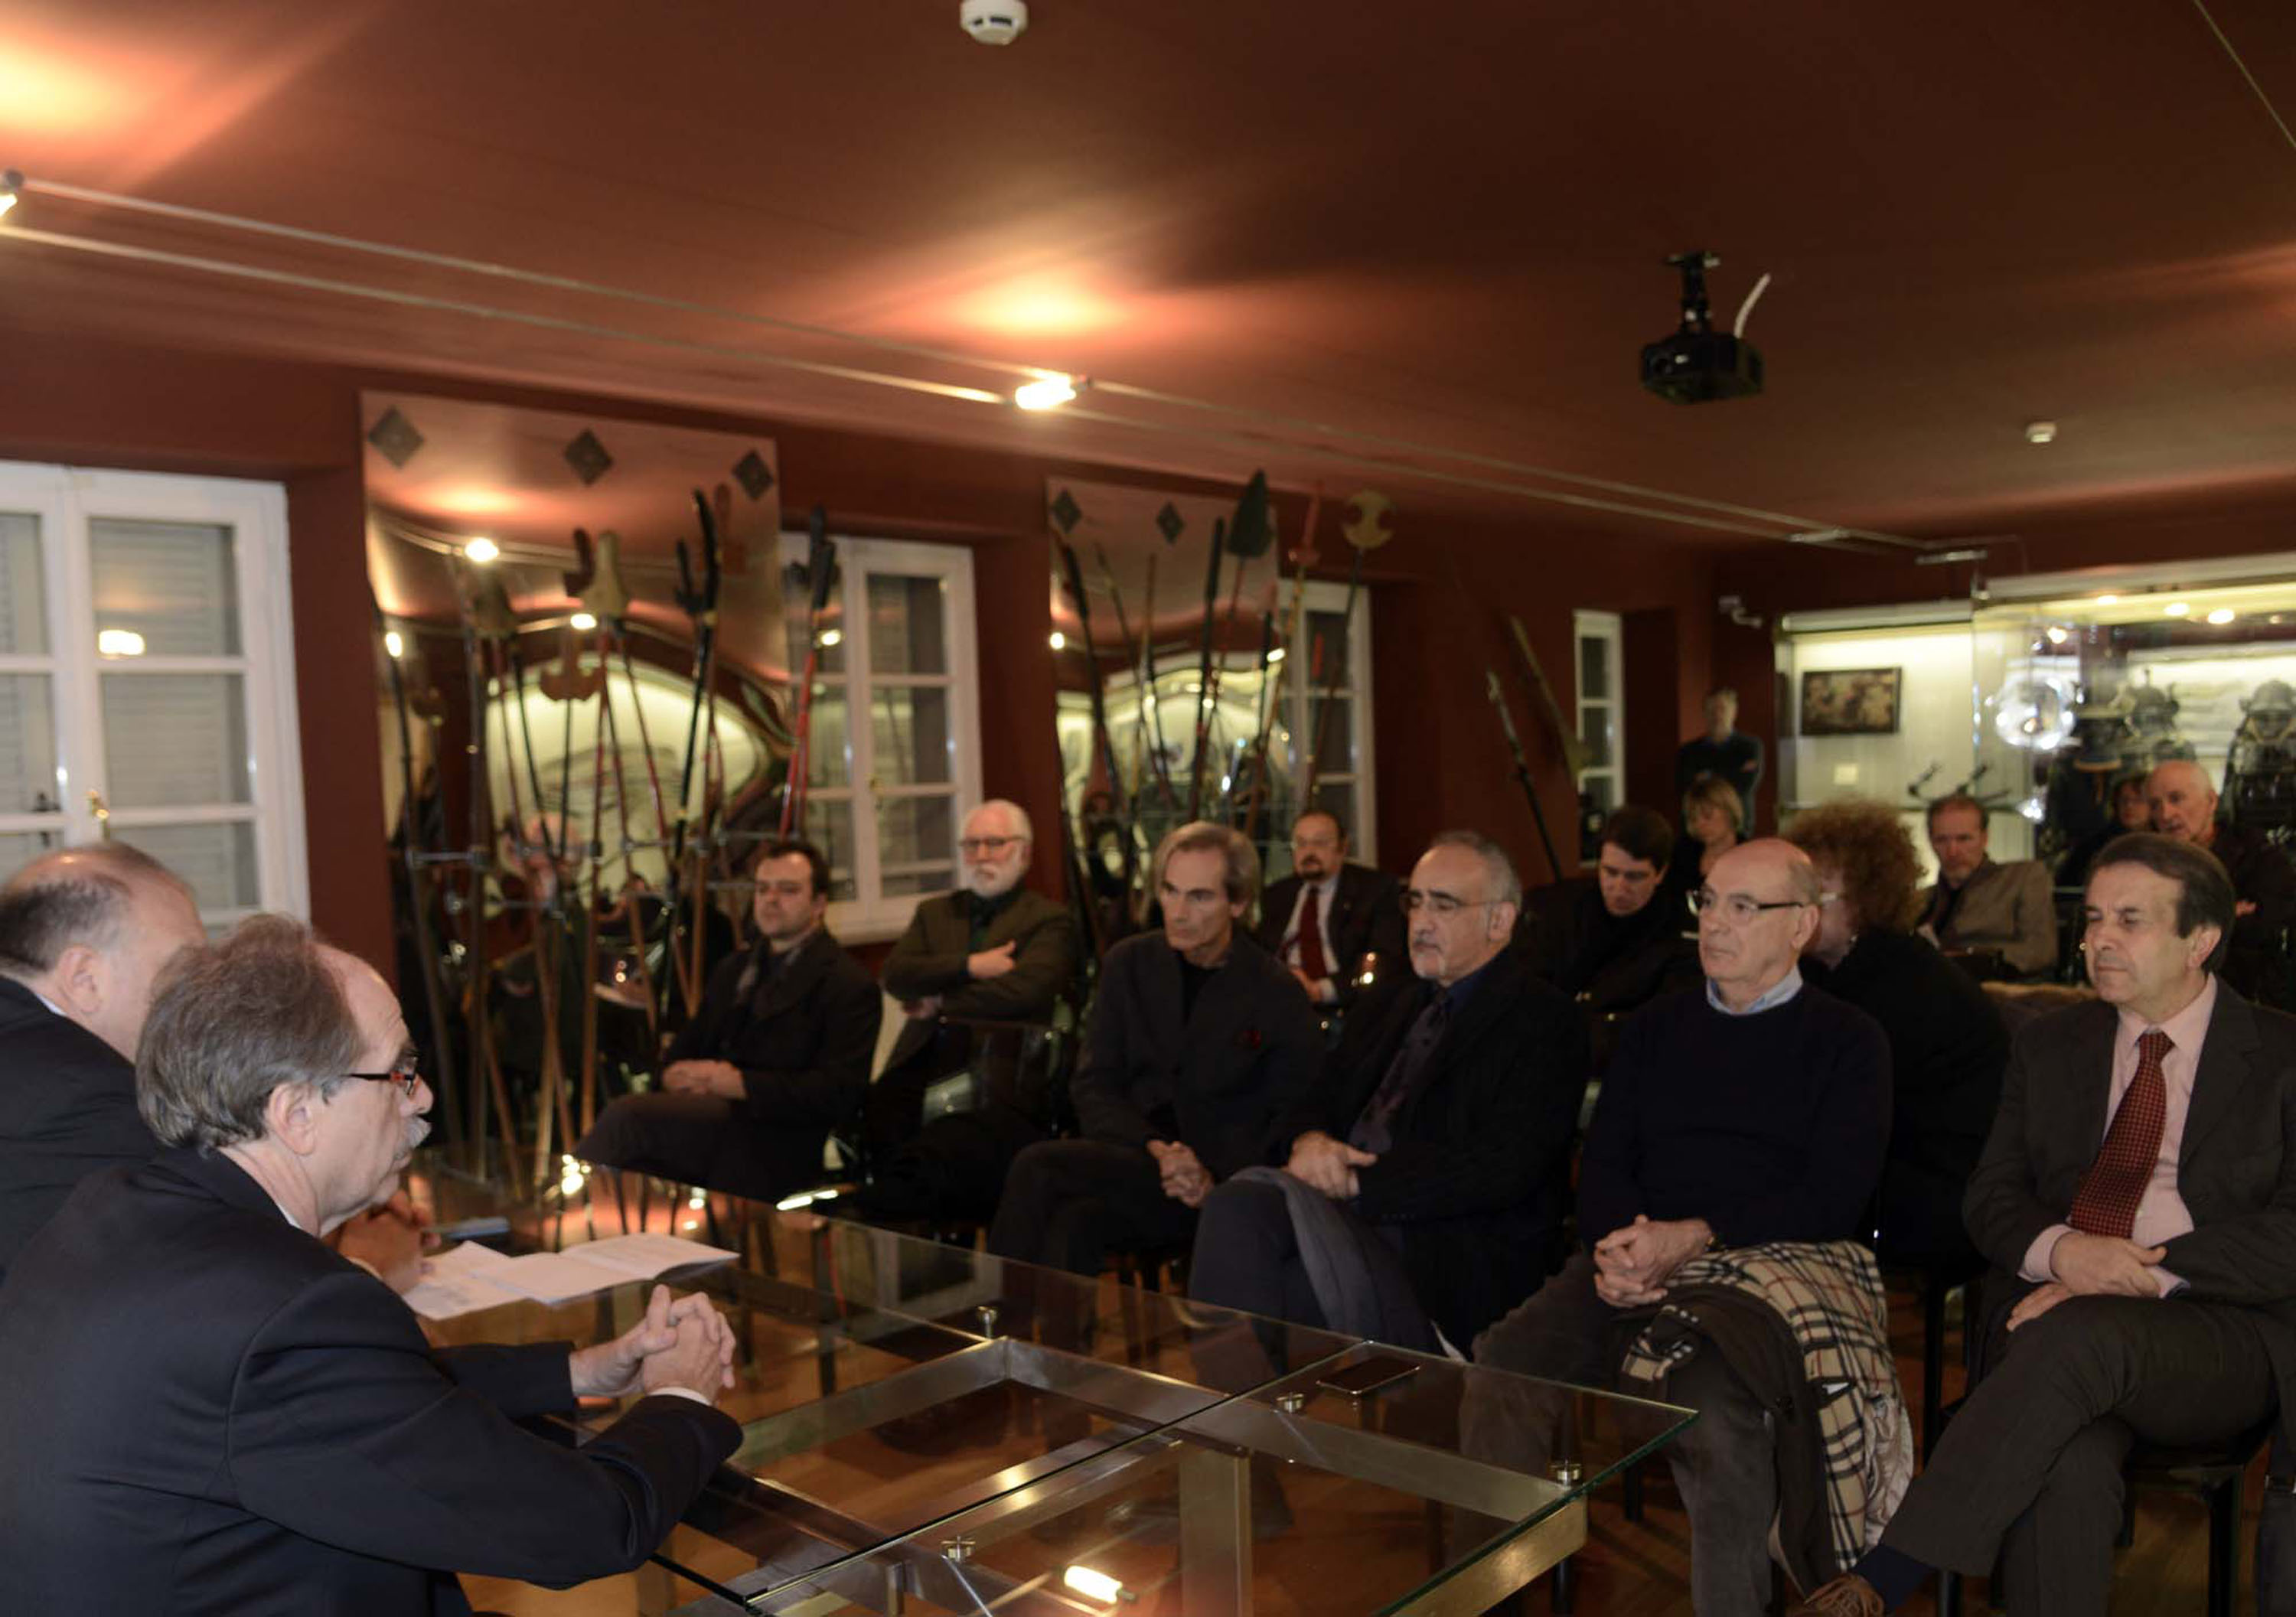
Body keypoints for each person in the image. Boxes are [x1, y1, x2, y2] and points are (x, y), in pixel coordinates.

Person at [0, 915, 743, 1614]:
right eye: (397, 1072)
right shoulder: (285, 1309)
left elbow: (343, 1401)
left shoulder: (116, 1207)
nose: (422, 1098)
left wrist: (578, 1370)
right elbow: (586, 1524)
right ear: (295, 1114)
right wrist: (682, 1396)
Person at [1789, 834, 2296, 1617]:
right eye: (2093, 918)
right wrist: (2065, 1252)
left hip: (2218, 1330)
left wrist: (2131, 1273)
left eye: (2130, 920)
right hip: (2055, 1325)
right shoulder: (2050, 1044)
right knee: (2066, 1463)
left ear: (2202, 940)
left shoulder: (2281, 1055)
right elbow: (1991, 1195)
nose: (2098, 939)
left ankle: (1889, 1572)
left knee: (2078, 1336)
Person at [1476, 839, 1893, 1616]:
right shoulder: (1656, 1027)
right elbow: (1602, 1161)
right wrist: (1616, 1248)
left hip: (1759, 1278)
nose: (1715, 924)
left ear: (1801, 925)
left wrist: (1695, 1235)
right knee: (1504, 1364)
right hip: (1631, 1262)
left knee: (1714, 1422)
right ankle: (1502, 1597)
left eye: (1745, 907)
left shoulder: (1849, 1039)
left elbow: (1834, 1198)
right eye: (1708, 902)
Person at [1189, 832, 1587, 1353]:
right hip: (1344, 1213)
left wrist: (1358, 1181)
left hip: (1439, 1246)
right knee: (1235, 1204)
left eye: (1443, 905)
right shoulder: (1392, 1000)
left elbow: (1501, 1168)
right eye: (1415, 901)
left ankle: (1235, 1426)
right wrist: (1309, 1140)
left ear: (1500, 920)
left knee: (1271, 1301)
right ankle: (1238, 1423)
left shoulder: (1544, 1019)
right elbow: (1315, 1094)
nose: (1420, 921)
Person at [989, 822, 1322, 1279]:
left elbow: (1289, 1111)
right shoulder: (1130, 963)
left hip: (1216, 1182)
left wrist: (1208, 1176)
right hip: (1138, 1153)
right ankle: (1032, 1343)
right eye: (1169, 890)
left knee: (1046, 1177)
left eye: (1199, 897)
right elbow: (1093, 1083)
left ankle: (1002, 1330)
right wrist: (1159, 1150)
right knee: (1068, 1215)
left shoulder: (1274, 989)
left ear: (1238, 904)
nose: (1178, 911)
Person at [575, 838, 881, 1199]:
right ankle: (596, 1235)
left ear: (818, 904)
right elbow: (685, 1048)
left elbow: (838, 1093)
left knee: (628, 1120)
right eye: (763, 889)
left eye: (788, 890)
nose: (770, 900)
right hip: (716, 1122)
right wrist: (677, 1074)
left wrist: (739, 1083)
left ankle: (563, 1221)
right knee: (632, 1146)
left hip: (779, 1136)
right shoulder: (736, 969)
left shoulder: (847, 984)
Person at [1789, 798, 2009, 1270]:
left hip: (1940, 1190)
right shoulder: (1830, 968)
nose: (1798, 910)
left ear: (1867, 899)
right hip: (1887, 1165)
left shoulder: (1901, 980)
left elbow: (1840, 1113)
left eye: (1816, 897)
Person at [859, 799, 1078, 1222]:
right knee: (877, 1120)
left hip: (1002, 1074)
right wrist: (971, 966)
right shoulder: (934, 912)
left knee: (949, 1146)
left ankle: (900, 1224)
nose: (981, 856)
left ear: (1024, 852)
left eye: (994, 844)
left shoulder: (1049, 920)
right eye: (972, 845)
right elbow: (897, 975)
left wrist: (941, 1000)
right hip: (923, 1062)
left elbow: (1025, 992)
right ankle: (898, 1230)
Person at [0, 843, 207, 1284]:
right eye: (180, 973)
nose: (195, 999)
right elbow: (170, 1288)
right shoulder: (86, 1097)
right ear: (83, 978)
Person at [1518, 805, 1700, 1058]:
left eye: (1635, 877)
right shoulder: (1558, 909)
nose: (1619, 887)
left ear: (1660, 874)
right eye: (1610, 872)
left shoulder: (1682, 934)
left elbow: (1666, 1025)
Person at [2146, 758, 2296, 1007]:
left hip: (2248, 999)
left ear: (2211, 801)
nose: (2166, 814)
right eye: (2155, 804)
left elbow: (2268, 925)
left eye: (2176, 799)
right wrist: (2227, 915)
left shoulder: (2257, 854)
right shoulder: (2146, 863)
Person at [1252, 809, 1405, 1011]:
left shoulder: (1375, 890)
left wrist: (1320, 990)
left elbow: (1384, 960)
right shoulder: (1277, 894)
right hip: (1280, 1002)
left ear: (1342, 848)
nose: (1309, 852)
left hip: (1347, 1006)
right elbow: (1261, 952)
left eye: (1320, 843)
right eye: (1301, 843)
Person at [1916, 793, 2057, 979]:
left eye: (1964, 839)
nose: (1953, 851)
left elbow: (2041, 950)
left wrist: (1967, 957)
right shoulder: (1922, 900)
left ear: (1984, 838)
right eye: (1941, 840)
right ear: (1931, 842)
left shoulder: (2021, 878)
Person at [1663, 772, 1746, 914]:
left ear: (1730, 811)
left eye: (1707, 816)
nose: (1700, 824)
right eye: (1694, 819)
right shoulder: (1682, 853)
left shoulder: (1750, 855)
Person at [1676, 686, 1764, 819]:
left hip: (1739, 823)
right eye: (1711, 710)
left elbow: (1745, 784)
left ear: (1734, 711)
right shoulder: (1689, 751)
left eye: (1722, 709)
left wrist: (1708, 776)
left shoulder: (1750, 747)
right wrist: (1732, 773)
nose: (1717, 715)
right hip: (1700, 823)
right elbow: (1687, 788)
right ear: (1704, 713)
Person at [2055, 772, 2149, 892]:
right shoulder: (2095, 845)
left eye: (2138, 800)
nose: (2129, 806)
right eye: (2124, 800)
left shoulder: (2164, 840)